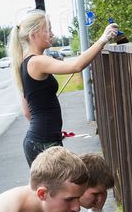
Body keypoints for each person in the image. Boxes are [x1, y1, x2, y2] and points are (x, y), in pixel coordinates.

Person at [8, 10, 119, 166]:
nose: (52, 34)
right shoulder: (37, 61)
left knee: (53, 189)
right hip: (44, 144)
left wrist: (50, 130)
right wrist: (103, 39)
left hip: (39, 141)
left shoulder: (24, 62)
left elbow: (27, 112)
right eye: (48, 30)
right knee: (67, 186)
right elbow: (76, 65)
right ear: (33, 35)